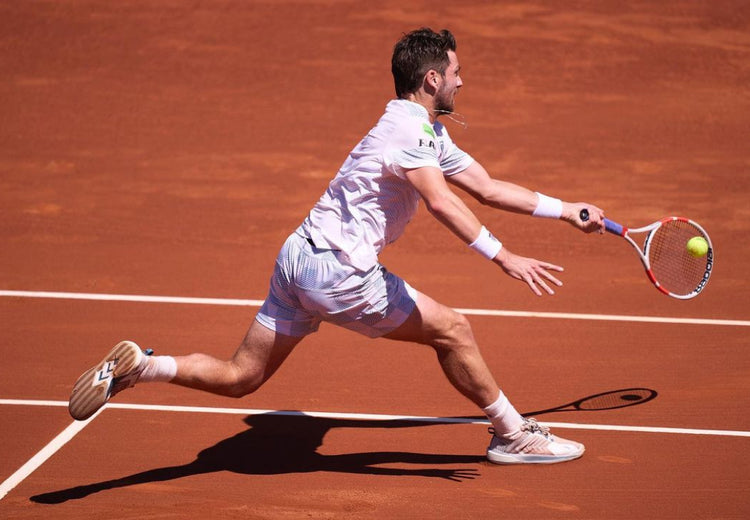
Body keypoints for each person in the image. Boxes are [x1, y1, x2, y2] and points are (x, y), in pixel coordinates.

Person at [69, 28, 605, 465]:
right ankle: (512, 434)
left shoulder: (425, 132)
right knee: (455, 330)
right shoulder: (410, 134)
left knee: (242, 378)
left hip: (297, 258)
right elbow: (442, 203)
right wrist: (503, 256)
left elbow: (487, 189)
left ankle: (143, 366)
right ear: (433, 78)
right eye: (457, 73)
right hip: (339, 273)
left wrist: (566, 209)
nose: (463, 83)